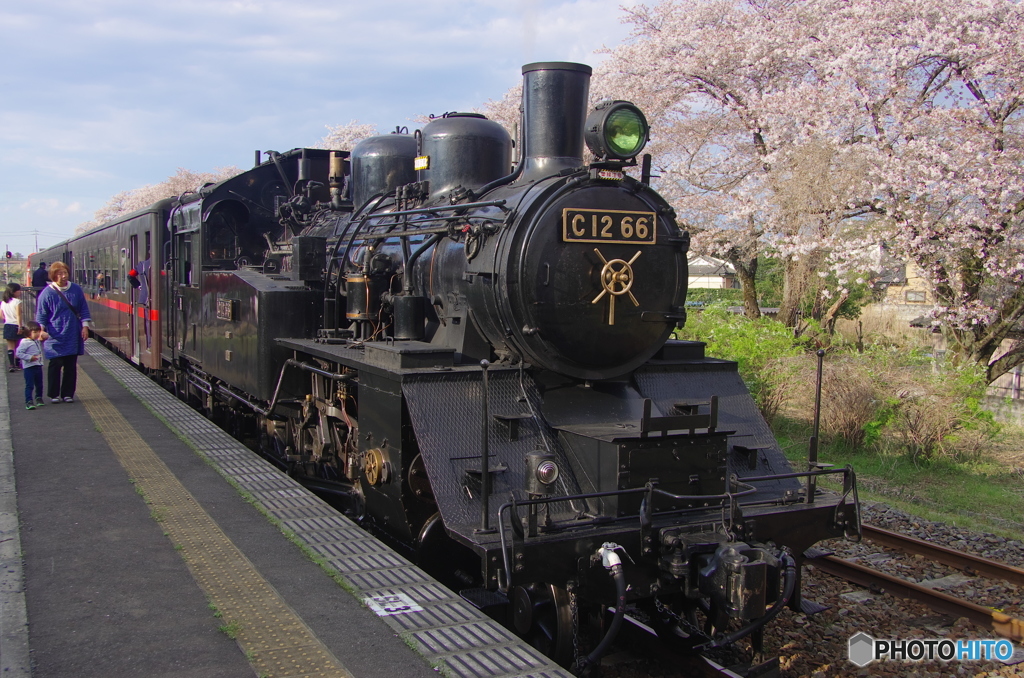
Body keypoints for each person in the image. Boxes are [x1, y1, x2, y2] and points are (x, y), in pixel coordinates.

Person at [35, 262, 91, 403]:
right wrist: (40, 331)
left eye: (65, 273)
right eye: (59, 274)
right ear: (53, 276)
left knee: (70, 365)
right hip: (54, 335)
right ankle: (54, 394)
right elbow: (41, 315)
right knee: (55, 364)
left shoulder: (76, 289)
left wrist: (85, 326)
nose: (63, 276)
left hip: (72, 332)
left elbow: (83, 309)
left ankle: (68, 394)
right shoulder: (47, 293)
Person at [15, 322, 45, 410]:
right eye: (35, 332)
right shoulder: (25, 342)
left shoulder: (36, 341)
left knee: (39, 384)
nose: (37, 334)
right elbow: (18, 353)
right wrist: (29, 357)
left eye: (38, 332)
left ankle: (39, 398)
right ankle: (29, 401)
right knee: (29, 385)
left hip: (38, 366)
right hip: (29, 367)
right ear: (29, 332)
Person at [1, 283, 22, 372]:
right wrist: (20, 326)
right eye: (19, 291)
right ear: (14, 292)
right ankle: (17, 364)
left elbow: (1, 316)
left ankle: (11, 365)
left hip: (7, 325)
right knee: (18, 346)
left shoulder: (3, 302)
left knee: (10, 346)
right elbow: (19, 315)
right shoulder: (17, 302)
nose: (20, 292)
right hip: (16, 325)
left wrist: (6, 319)